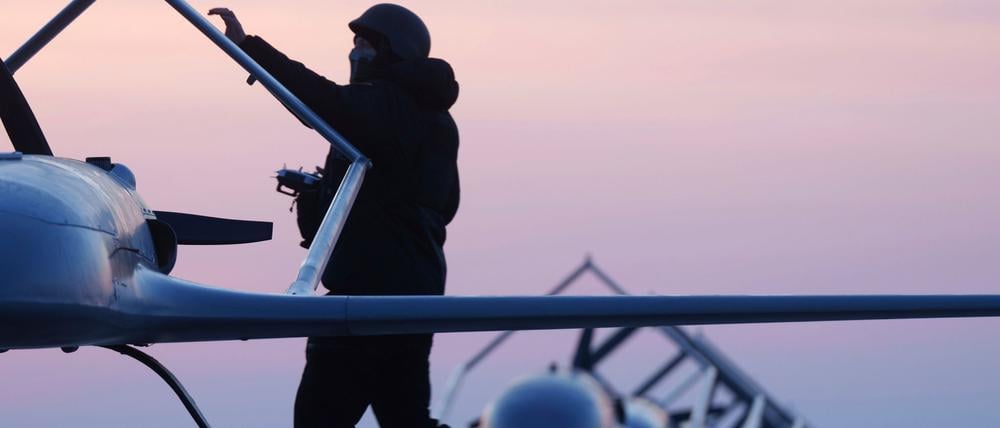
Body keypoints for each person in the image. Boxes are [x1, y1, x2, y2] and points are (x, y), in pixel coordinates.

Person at [209, 4, 459, 428]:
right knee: (408, 420)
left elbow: (321, 99)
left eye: (363, 44)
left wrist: (249, 49)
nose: (355, 53)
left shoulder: (388, 104)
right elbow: (419, 200)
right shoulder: (432, 117)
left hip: (366, 301)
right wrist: (323, 195)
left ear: (391, 51)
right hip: (416, 295)